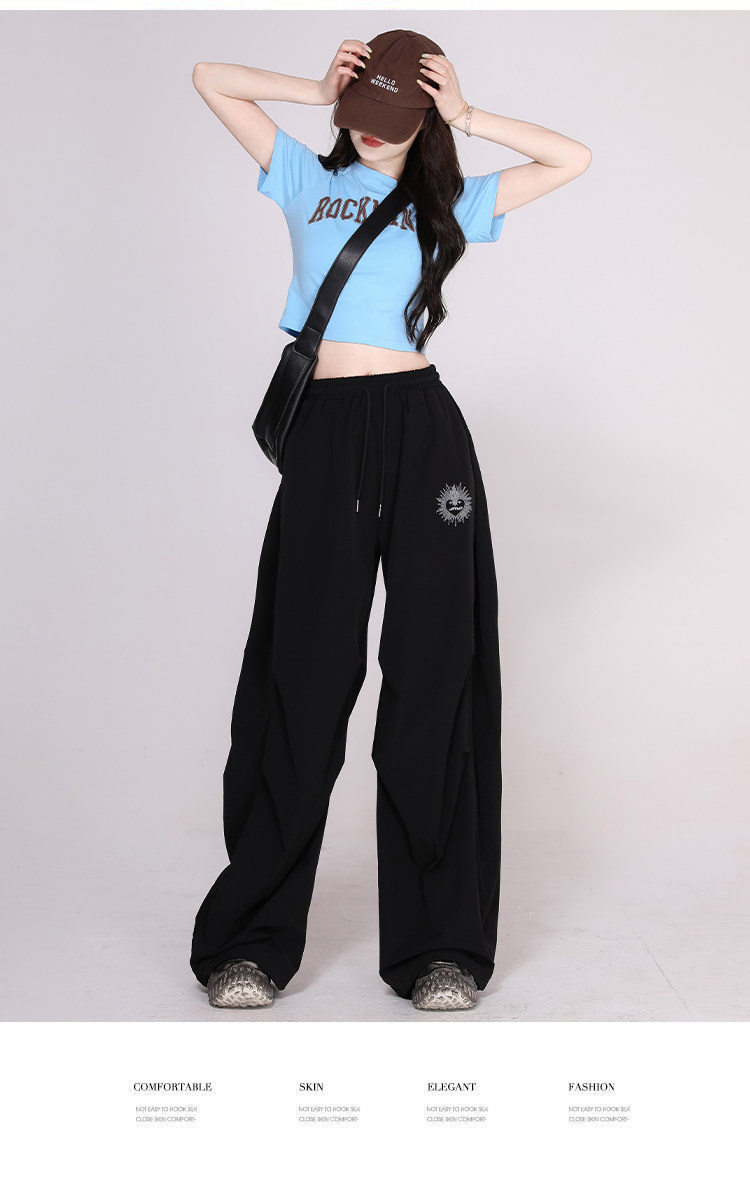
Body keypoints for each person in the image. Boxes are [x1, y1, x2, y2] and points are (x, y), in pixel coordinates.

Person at [189, 28, 591, 1012]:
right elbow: (210, 78)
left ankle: (439, 948)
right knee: (303, 673)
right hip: (327, 435)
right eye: (363, 118)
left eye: (394, 120)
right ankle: (251, 943)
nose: (374, 134)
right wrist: (317, 87)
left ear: (423, 121)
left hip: (425, 435)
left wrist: (466, 115)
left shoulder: (449, 199)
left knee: (435, 674)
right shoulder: (301, 174)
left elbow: (570, 158)